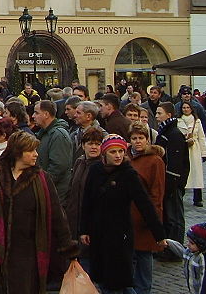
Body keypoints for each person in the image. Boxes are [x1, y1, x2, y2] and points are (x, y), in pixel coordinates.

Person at [0, 131, 77, 294]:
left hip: (29, 252)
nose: (36, 155)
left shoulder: (41, 179)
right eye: (31, 151)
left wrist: (68, 248)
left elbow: (57, 215)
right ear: (18, 152)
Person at [80, 135, 166, 294]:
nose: (118, 155)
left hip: (120, 233)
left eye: (121, 151)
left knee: (118, 280)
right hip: (98, 232)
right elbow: (87, 202)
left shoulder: (128, 173)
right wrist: (84, 229)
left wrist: (159, 234)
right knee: (103, 279)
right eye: (113, 152)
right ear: (105, 153)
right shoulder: (95, 170)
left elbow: (144, 203)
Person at [128, 122, 166, 294]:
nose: (137, 142)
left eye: (141, 138)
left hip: (145, 217)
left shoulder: (155, 161)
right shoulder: (127, 158)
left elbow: (157, 193)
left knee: (144, 255)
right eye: (134, 138)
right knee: (131, 255)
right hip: (128, 216)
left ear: (147, 140)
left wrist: (153, 219)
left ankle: (143, 289)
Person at [65, 127, 104, 272]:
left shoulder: (103, 166)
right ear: (83, 145)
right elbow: (71, 189)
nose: (94, 147)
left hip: (91, 223)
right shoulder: (79, 162)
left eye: (97, 144)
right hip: (74, 219)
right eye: (90, 143)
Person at [155, 102, 190, 260]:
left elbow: (175, 163)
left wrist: (171, 183)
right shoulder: (165, 131)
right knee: (169, 216)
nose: (156, 116)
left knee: (175, 216)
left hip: (173, 182)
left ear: (169, 115)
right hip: (166, 180)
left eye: (159, 113)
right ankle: (168, 247)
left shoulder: (174, 133)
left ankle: (175, 250)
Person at [33, 100, 73, 204]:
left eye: (36, 113)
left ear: (46, 114)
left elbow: (59, 166)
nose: (33, 116)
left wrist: (42, 184)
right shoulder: (44, 133)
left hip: (55, 194)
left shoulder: (58, 135)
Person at [164, 222, 206, 294]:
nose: (188, 244)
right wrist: (168, 242)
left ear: (201, 244)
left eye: (191, 243)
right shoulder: (191, 252)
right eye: (188, 241)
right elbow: (181, 251)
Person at [176, 101, 206, 207]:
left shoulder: (196, 121)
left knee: (196, 174)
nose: (185, 109)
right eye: (183, 108)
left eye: (187, 107)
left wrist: (204, 153)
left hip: (194, 149)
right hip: (182, 149)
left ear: (191, 109)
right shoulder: (178, 121)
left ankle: (198, 198)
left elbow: (201, 137)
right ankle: (181, 195)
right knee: (183, 172)